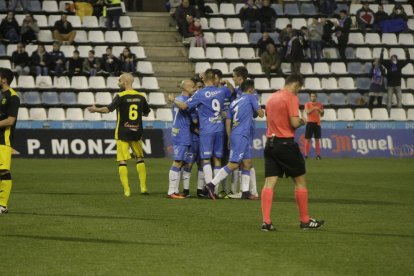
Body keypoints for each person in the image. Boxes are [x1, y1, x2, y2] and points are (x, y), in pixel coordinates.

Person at [260, 73, 324, 231]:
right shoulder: (290, 97)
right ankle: (304, 220)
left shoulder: (272, 97)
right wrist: (302, 121)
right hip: (285, 143)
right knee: (300, 182)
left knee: (269, 183)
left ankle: (266, 222)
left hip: (270, 143)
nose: (298, 92)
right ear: (296, 85)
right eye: (299, 89)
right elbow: (294, 122)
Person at [87, 73, 151, 196]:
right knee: (140, 158)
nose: (118, 83)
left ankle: (127, 190)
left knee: (122, 161)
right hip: (137, 131)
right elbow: (146, 112)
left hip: (123, 131)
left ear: (125, 82)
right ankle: (143, 187)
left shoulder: (121, 96)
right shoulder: (141, 96)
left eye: (120, 80)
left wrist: (96, 110)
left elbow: (108, 109)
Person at [171, 69, 233, 188]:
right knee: (217, 159)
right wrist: (227, 82)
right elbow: (231, 91)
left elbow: (184, 106)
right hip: (219, 129)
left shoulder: (200, 94)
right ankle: (215, 190)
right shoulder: (222, 91)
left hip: (206, 130)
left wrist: (173, 99)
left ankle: (210, 187)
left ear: (204, 79)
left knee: (205, 159)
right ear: (214, 78)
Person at [205, 79, 264, 200]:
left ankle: (245, 192)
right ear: (250, 88)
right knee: (234, 164)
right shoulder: (251, 97)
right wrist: (262, 108)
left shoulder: (234, 102)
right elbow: (261, 114)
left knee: (247, 163)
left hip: (236, 133)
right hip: (242, 134)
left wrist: (229, 136)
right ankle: (211, 185)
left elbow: (228, 120)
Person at [168, 79, 196, 199]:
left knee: (181, 162)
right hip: (182, 134)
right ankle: (171, 192)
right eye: (193, 86)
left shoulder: (179, 99)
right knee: (178, 161)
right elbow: (193, 118)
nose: (195, 88)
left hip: (178, 132)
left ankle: (175, 190)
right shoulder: (184, 101)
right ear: (186, 88)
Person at [0, 68, 20, 214]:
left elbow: (10, 120)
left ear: (4, 79)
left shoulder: (13, 97)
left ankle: (2, 205)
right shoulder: (1, 95)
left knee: (3, 171)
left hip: (3, 139)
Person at [304, 92, 324, 160]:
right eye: (312, 96)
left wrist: (321, 111)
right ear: (310, 97)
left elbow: (322, 114)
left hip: (317, 124)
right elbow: (307, 112)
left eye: (314, 96)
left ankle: (318, 155)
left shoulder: (320, 104)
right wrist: (315, 108)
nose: (313, 97)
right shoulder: (307, 104)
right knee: (308, 139)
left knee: (317, 139)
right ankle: (306, 155)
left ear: (316, 97)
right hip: (310, 123)